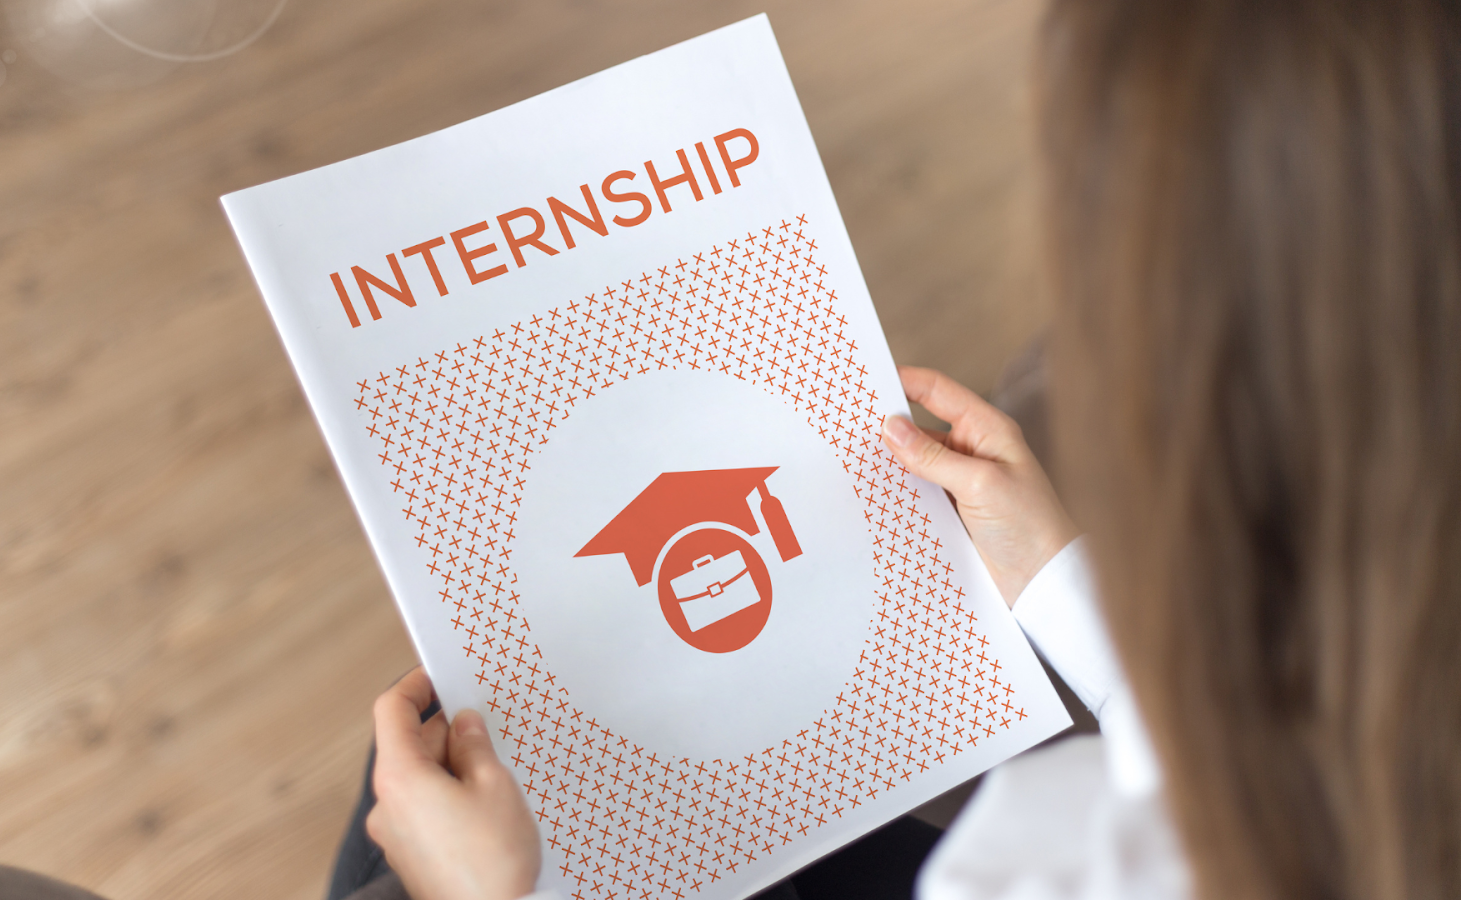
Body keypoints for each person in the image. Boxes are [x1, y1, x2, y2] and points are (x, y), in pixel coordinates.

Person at [349, 1, 1461, 899]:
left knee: (420, 779)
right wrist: (1061, 581)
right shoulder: (1380, 739)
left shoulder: (1053, 859)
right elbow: (1225, 787)